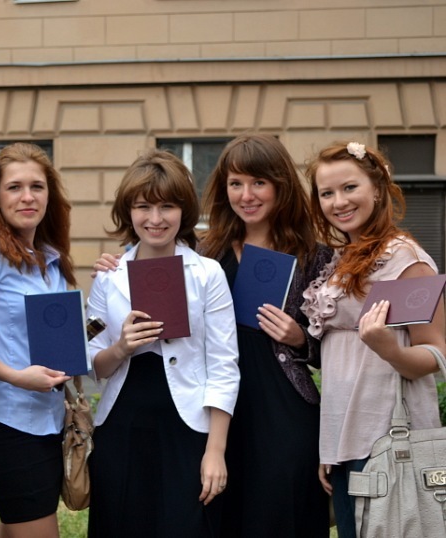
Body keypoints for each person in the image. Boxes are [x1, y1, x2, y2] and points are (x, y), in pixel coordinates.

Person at [85, 149, 239, 537]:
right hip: (122, 426)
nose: (155, 219)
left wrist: (215, 450)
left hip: (188, 426)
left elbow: (224, 365)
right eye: (143, 207)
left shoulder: (207, 274)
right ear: (129, 211)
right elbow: (91, 362)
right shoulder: (108, 277)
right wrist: (121, 347)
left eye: (167, 206)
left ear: (183, 211)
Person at [301, 141, 446, 538]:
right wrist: (331, 445)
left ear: (378, 189)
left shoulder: (405, 259)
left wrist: (388, 349)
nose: (338, 202)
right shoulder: (340, 261)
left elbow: (436, 353)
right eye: (327, 193)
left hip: (389, 443)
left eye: (350, 187)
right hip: (346, 444)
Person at [200, 134, 331, 537]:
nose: (246, 195)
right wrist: (119, 264)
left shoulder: (315, 256)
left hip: (284, 411)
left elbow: (342, 347)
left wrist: (300, 338)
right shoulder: (205, 253)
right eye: (235, 183)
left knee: (280, 515)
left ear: (280, 185)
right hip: (217, 412)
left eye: (259, 182)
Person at [0, 142, 74, 538]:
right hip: (6, 419)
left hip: (49, 419)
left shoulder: (50, 259)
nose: (27, 197)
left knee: (15, 527)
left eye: (37, 187)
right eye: (14, 187)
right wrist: (18, 377)